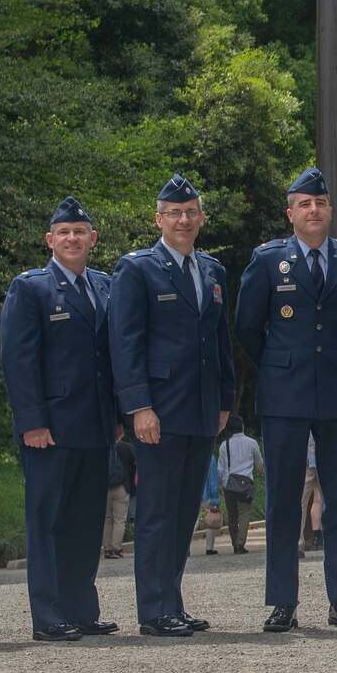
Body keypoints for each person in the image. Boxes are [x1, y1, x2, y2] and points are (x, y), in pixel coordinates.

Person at [235, 166, 337, 633]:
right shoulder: (266, 259)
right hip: (284, 394)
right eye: (304, 204)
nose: (313, 210)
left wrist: (333, 359)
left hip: (336, 392)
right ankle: (282, 602)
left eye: (320, 203)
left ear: (330, 210)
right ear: (290, 213)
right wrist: (283, 363)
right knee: (282, 502)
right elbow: (249, 328)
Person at [107, 174, 234, 639]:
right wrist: (138, 407)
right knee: (158, 512)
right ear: (158, 219)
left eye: (191, 212)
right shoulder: (137, 269)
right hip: (158, 410)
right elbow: (125, 343)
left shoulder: (212, 271)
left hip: (201, 409)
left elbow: (221, 341)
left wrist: (225, 400)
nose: (183, 219)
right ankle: (154, 608)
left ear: (201, 218)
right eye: (174, 213)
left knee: (184, 512)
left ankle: (173, 600)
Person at [0, 195, 121, 641]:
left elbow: (114, 356)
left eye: (80, 232)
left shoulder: (106, 286)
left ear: (92, 238)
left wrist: (120, 413)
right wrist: (31, 419)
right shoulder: (30, 288)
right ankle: (48, 614)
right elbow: (18, 358)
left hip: (96, 424)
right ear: (50, 240)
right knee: (48, 521)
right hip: (49, 427)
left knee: (87, 522)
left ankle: (81, 608)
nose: (73, 238)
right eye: (64, 232)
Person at [214, 415, 262, 554]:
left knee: (232, 514)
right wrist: (260, 469)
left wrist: (219, 485)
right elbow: (259, 463)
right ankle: (241, 543)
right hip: (246, 482)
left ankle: (234, 542)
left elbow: (220, 468)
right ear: (242, 426)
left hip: (229, 483)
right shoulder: (252, 443)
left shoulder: (225, 444)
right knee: (244, 513)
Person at [103, 435, 135, 558]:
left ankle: (107, 549)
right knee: (119, 520)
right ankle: (116, 548)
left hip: (105, 488)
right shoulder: (127, 448)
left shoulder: (103, 447)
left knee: (107, 519)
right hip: (122, 486)